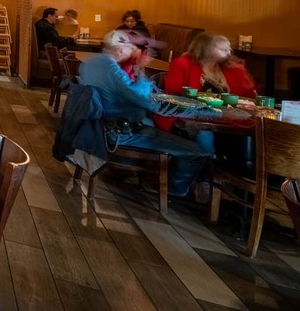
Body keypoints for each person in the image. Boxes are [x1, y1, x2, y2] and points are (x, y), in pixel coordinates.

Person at [78, 30, 210, 199]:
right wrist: (140, 69)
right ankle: (170, 188)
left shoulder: (90, 63)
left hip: (98, 128)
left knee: (154, 124)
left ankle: (148, 175)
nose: (133, 51)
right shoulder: (112, 70)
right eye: (130, 48)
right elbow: (144, 100)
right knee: (198, 152)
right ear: (119, 50)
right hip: (120, 133)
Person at [164, 32, 257, 97]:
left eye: (229, 49)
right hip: (190, 116)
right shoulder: (181, 64)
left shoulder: (235, 69)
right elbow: (172, 95)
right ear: (205, 49)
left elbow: (249, 97)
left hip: (228, 118)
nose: (229, 53)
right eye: (223, 50)